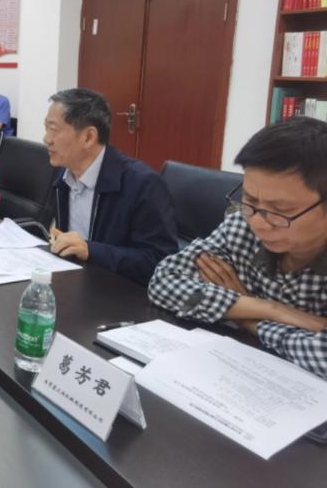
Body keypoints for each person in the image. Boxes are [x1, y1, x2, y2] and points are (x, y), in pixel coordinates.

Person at [149, 117, 327, 378]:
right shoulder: (244, 225)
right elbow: (164, 281)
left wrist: (245, 319)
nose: (259, 223)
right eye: (250, 200)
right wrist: (271, 309)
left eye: (282, 210)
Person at [45, 89, 177, 285]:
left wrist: (91, 250)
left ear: (88, 137)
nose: (46, 139)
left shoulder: (143, 183)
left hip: (118, 292)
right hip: (74, 280)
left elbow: (160, 262)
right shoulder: (63, 173)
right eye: (46, 128)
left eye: (53, 130)